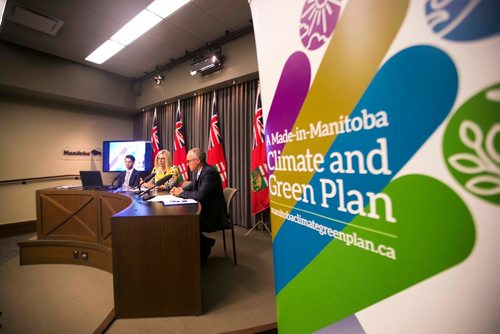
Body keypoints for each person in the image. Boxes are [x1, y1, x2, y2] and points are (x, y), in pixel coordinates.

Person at [170, 147, 229, 261]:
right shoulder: (200, 171)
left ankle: (205, 244)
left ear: (197, 161)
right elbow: (192, 187)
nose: (187, 164)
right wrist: (179, 190)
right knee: (183, 221)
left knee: (185, 223)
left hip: (214, 214)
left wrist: (181, 194)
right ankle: (202, 245)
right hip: (206, 209)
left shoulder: (209, 173)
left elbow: (201, 195)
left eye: (189, 161)